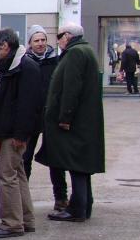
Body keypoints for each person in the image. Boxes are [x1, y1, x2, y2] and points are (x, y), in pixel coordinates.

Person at [37, 22, 105, 222]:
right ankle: (83, 206)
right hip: (84, 121)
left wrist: (65, 117)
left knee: (76, 164)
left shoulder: (75, 53)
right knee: (81, 166)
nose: (57, 41)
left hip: (75, 122)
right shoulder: (86, 51)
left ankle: (77, 210)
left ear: (67, 36)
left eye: (59, 36)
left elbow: (71, 88)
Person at [0, 28, 41, 239]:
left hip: (14, 132)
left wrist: (20, 134)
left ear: (5, 46)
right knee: (17, 174)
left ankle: (12, 223)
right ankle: (26, 219)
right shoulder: (12, 65)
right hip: (11, 130)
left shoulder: (25, 67)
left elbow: (28, 104)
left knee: (7, 175)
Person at [22, 25, 69, 213]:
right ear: (30, 43)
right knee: (25, 159)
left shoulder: (56, 61)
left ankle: (61, 198)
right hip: (30, 118)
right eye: (36, 40)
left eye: (43, 40)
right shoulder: (24, 62)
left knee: (55, 159)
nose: (40, 44)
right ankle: (21, 199)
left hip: (51, 117)